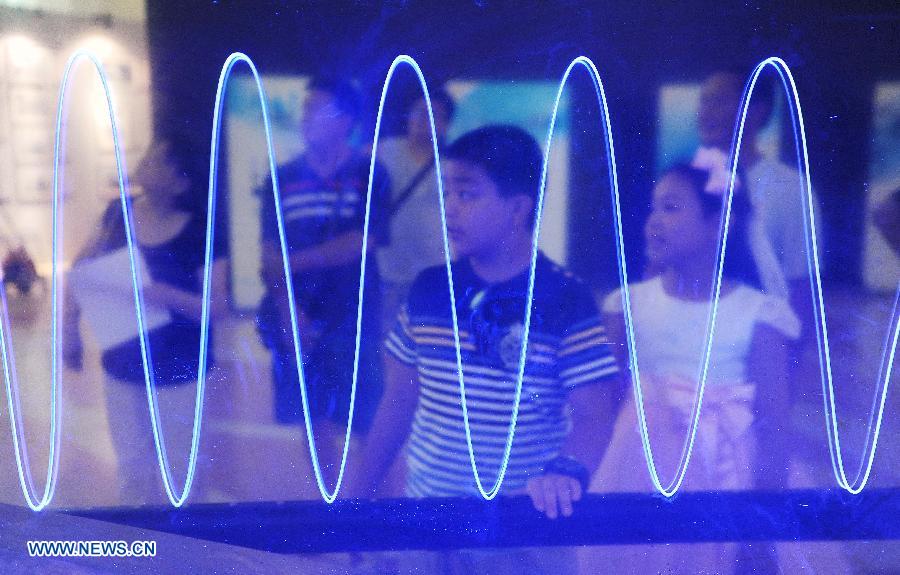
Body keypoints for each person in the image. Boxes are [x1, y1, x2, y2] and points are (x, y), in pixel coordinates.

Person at [347, 125, 620, 573]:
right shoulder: (428, 291)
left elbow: (594, 412)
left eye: (468, 194)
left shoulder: (564, 299)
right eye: (448, 193)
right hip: (429, 525)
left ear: (518, 209)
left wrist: (565, 470)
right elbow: (397, 403)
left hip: (520, 529)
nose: (450, 208)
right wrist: (356, 502)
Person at [580, 164, 835, 574]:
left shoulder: (757, 313)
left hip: (731, 476)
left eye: (672, 208)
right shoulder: (627, 305)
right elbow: (605, 405)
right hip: (639, 473)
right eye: (653, 209)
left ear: (719, 223)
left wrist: (760, 524)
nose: (654, 222)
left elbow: (772, 425)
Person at [64, 135, 230, 505]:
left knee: (181, 470)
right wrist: (69, 327)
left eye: (160, 160)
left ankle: (185, 551)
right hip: (123, 364)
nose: (147, 163)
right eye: (149, 156)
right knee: (133, 467)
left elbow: (218, 306)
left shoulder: (200, 230)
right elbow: (81, 268)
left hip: (180, 367)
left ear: (181, 181)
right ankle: (142, 549)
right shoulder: (117, 214)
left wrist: (164, 296)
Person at [255, 77, 391, 485]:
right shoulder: (281, 178)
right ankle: (330, 511)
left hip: (355, 313)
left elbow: (362, 242)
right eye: (305, 109)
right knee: (312, 417)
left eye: (317, 109)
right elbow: (266, 253)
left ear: (345, 120)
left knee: (365, 416)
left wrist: (292, 263)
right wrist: (287, 310)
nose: (306, 118)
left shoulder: (369, 172)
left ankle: (368, 510)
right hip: (298, 312)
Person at [376, 87, 455, 336]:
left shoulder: (452, 162)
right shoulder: (382, 153)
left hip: (436, 271)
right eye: (420, 113)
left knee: (431, 338)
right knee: (386, 342)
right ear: (407, 117)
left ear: (445, 124)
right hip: (388, 272)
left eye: (435, 115)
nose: (426, 121)